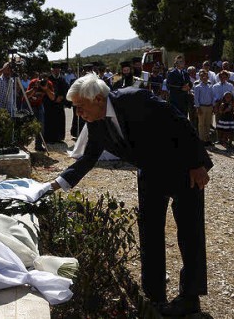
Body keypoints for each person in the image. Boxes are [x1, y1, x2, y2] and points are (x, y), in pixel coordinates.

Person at [49, 73, 212, 317]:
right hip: (150, 173)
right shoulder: (96, 122)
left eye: (81, 108)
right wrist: (56, 183)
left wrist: (198, 163)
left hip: (182, 169)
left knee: (190, 233)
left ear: (98, 99)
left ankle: (190, 297)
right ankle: (155, 296)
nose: (79, 114)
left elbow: (179, 121)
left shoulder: (135, 99)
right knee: (149, 232)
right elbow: (89, 157)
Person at [25, 74, 54, 151]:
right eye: (41, 80)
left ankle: (38, 145)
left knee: (41, 125)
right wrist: (35, 88)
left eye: (45, 80)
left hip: (39, 104)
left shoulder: (49, 84)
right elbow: (26, 96)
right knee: (27, 125)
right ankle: (23, 143)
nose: (43, 82)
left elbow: (52, 97)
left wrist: (46, 89)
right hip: (28, 104)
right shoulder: (33, 82)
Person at [45, 63, 68, 143]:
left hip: (59, 103)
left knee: (60, 121)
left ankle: (59, 138)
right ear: (52, 70)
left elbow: (65, 90)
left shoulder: (62, 79)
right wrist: (54, 98)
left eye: (58, 69)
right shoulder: (48, 79)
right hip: (50, 104)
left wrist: (61, 97)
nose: (56, 71)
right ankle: (49, 138)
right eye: (55, 69)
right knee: (50, 121)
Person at [194, 70, 215, 145]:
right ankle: (202, 139)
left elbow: (213, 97)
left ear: (208, 77)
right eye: (202, 76)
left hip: (209, 107)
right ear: (200, 77)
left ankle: (207, 139)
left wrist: (213, 106)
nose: (204, 77)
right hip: (201, 107)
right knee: (201, 124)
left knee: (208, 123)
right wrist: (198, 107)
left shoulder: (211, 86)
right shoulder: (197, 87)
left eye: (206, 76)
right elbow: (196, 98)